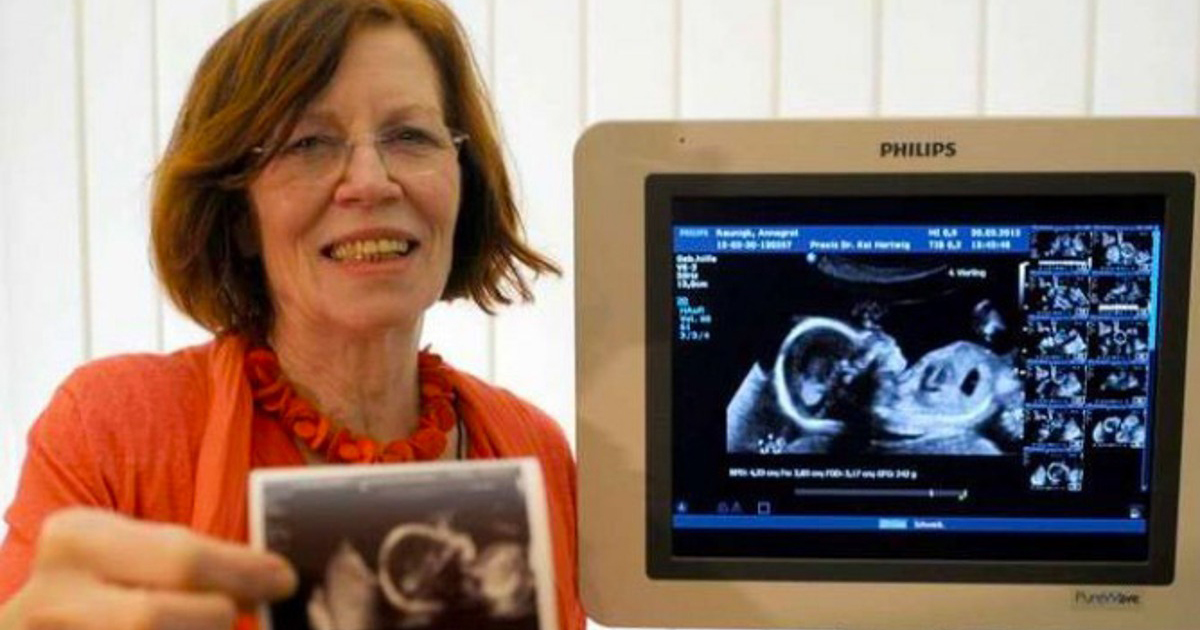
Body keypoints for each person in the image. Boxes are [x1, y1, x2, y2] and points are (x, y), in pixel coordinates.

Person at [0, 0, 584, 629]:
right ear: (240, 215)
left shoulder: (536, 448)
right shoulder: (114, 432)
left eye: (410, 137)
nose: (371, 182)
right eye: (308, 143)